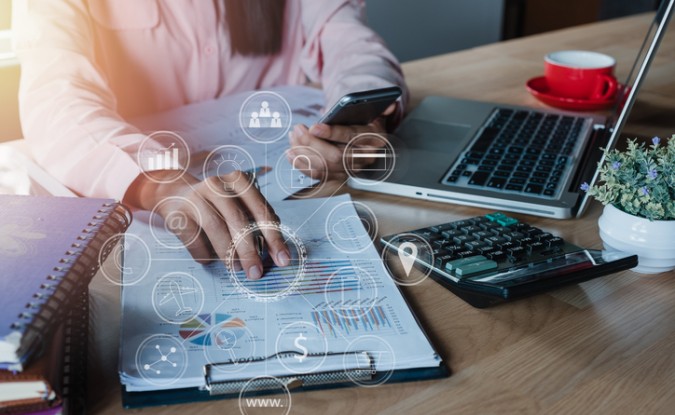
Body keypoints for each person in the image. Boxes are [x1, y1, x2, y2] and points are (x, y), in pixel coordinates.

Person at [13, 0, 408, 280]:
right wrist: (157, 180)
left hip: (312, 196)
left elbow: (352, 43)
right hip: (138, 237)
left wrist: (362, 117)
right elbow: (56, 95)